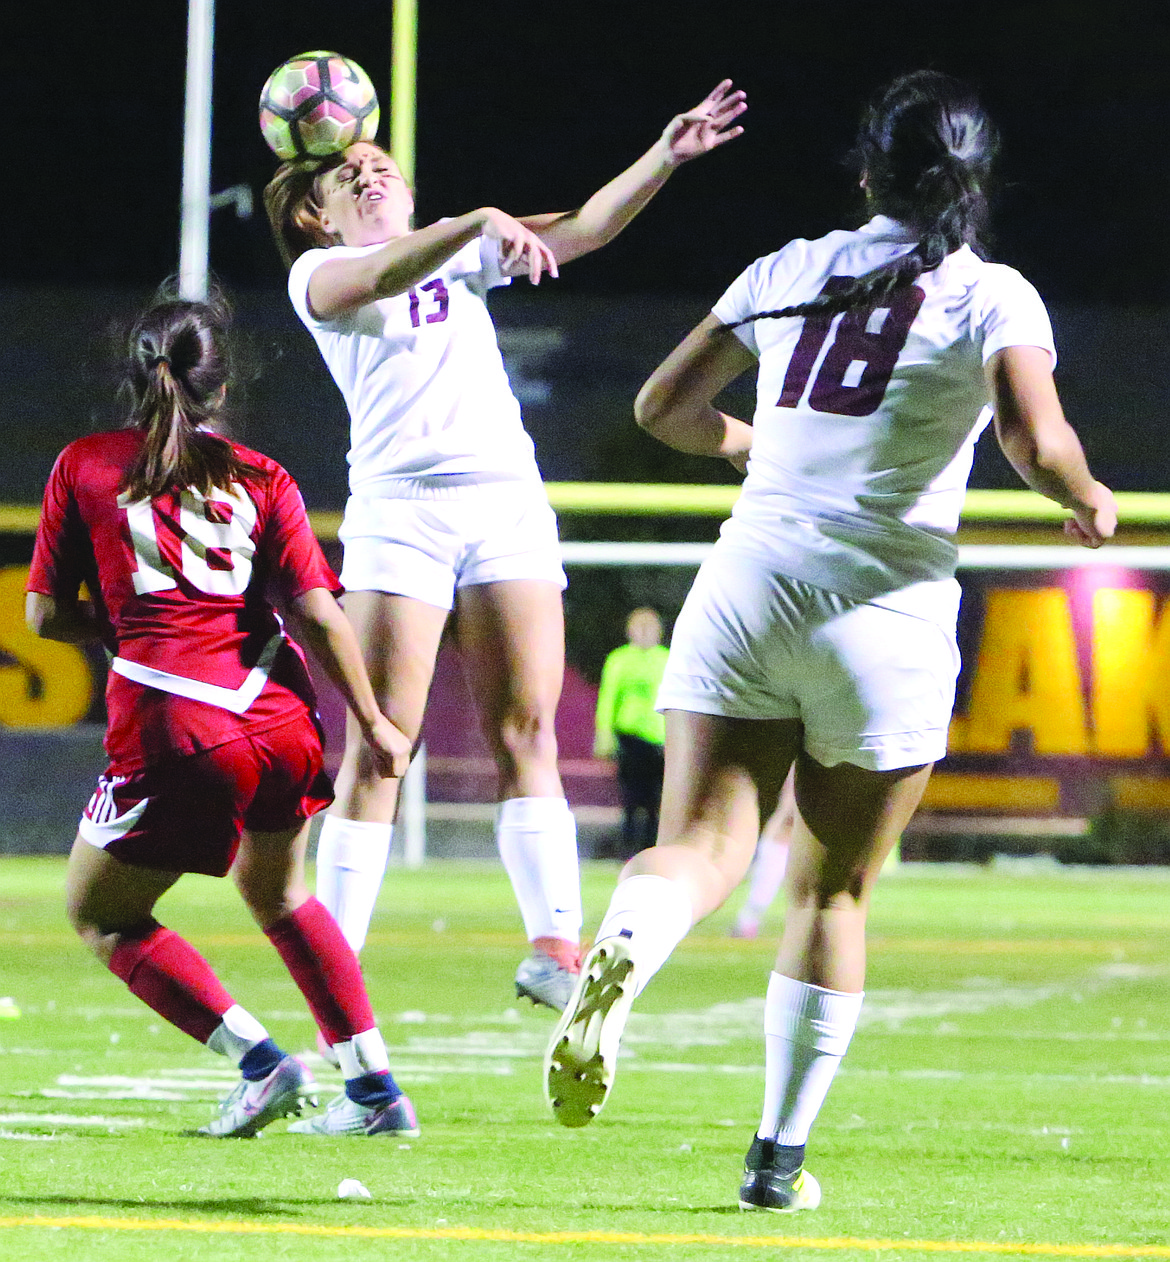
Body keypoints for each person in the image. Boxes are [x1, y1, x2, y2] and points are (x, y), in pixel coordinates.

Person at [543, 71, 1117, 1211]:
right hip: (884, 610)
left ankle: (624, 947)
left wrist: (748, 439)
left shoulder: (791, 265)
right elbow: (1032, 436)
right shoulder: (990, 291)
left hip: (750, 580)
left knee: (703, 849)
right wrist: (1091, 500)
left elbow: (664, 406)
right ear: (975, 187)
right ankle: (776, 1162)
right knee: (832, 893)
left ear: (869, 173)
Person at [262, 81, 747, 1012]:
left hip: (506, 504)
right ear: (317, 218)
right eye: (348, 175)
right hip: (401, 511)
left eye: (380, 167)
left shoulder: (458, 249)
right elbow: (377, 277)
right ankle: (334, 974)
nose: (369, 174)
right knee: (383, 745)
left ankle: (555, 949)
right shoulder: (318, 278)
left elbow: (589, 228)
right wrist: (474, 220)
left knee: (527, 733)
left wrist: (667, 153)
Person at [26, 290, 423, 1139]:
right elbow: (317, 610)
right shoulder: (262, 473)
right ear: (220, 380)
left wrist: (124, 625)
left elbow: (43, 618)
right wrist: (379, 723)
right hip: (278, 709)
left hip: (177, 721)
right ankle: (376, 1091)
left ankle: (261, 1063)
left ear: (137, 368)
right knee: (280, 893)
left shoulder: (85, 464)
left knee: (103, 914)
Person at [593, 607, 670, 860]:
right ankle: (627, 848)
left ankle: (651, 848)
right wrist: (604, 735)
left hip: (660, 739)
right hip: (630, 738)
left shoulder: (666, 659)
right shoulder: (619, 659)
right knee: (631, 797)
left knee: (655, 799)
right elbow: (608, 699)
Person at [729, 770, 794, 939]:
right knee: (764, 889)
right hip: (779, 842)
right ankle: (745, 925)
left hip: (784, 841)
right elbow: (790, 809)